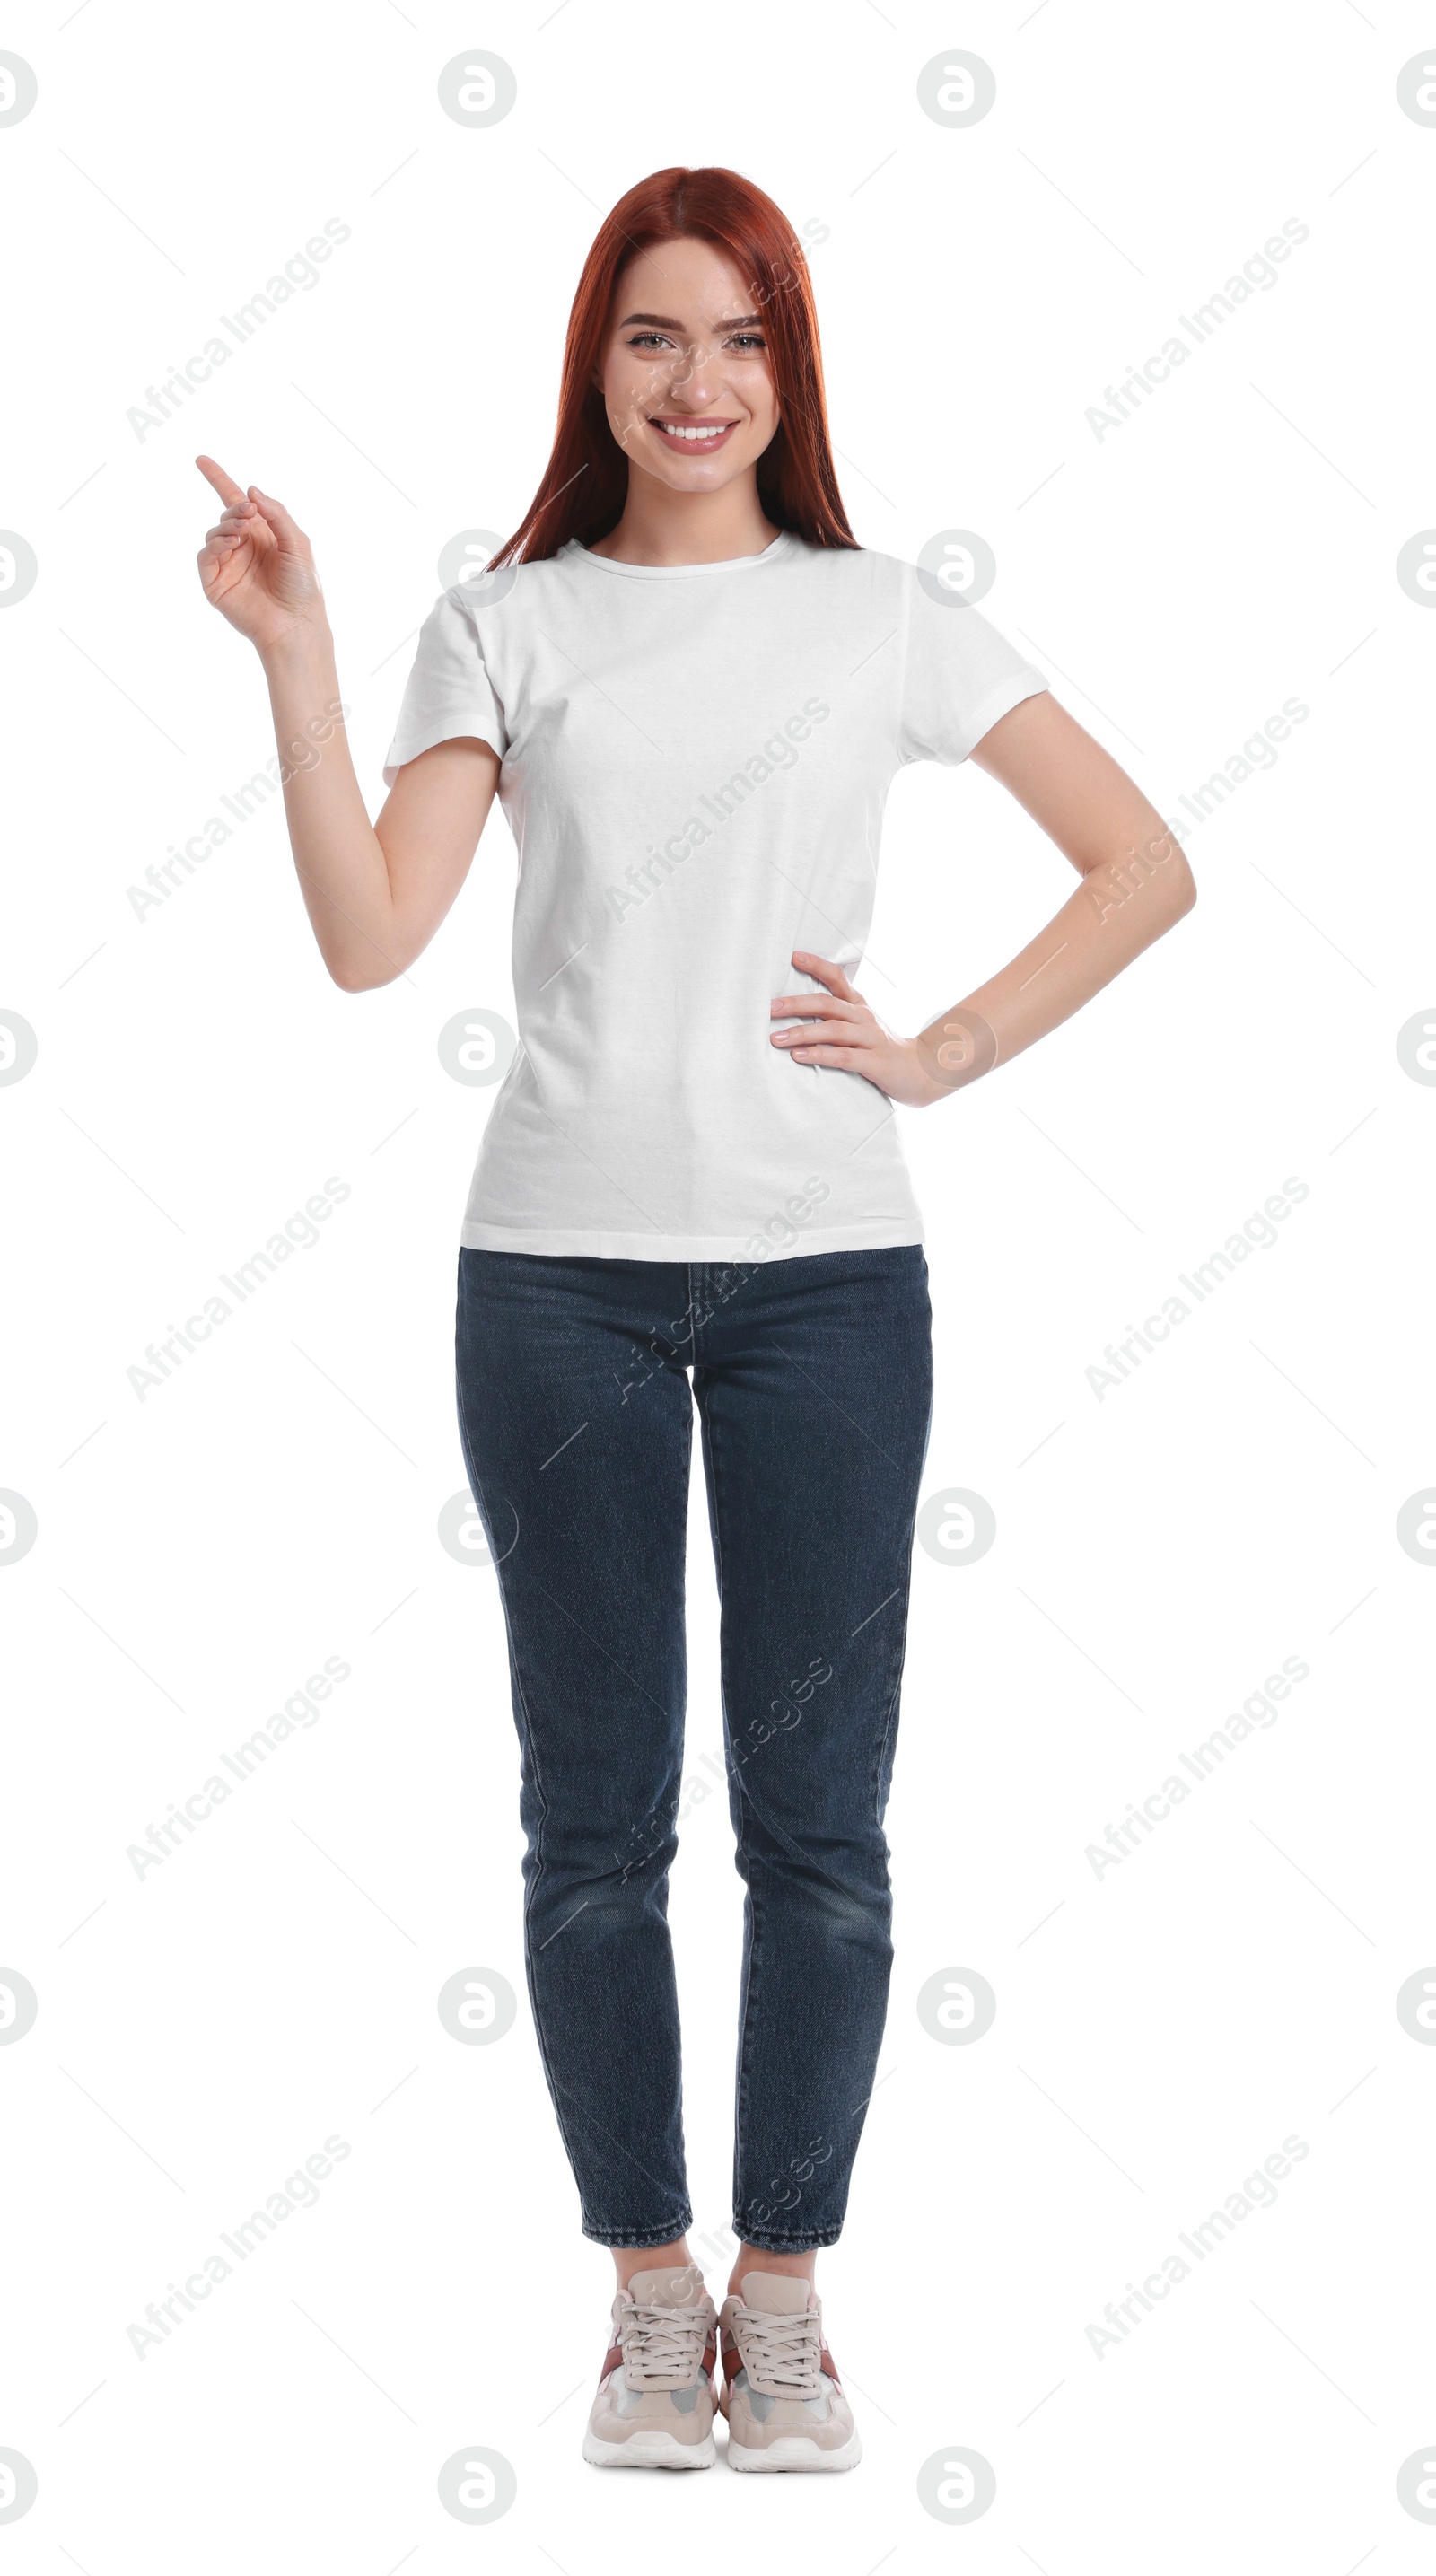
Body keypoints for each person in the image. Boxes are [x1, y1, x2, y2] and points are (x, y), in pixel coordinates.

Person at [195, 162, 1195, 2476]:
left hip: (832, 1284)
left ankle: (791, 2291)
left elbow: (1143, 864)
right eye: (655, 336)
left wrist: (933, 1054)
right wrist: (305, 660)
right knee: (594, 1822)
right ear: (596, 361)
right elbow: (372, 941)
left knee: (822, 1828)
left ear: (792, 368)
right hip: (553, 1282)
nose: (697, 382)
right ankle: (649, 2302)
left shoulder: (881, 614)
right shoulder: (509, 616)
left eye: (741, 338)